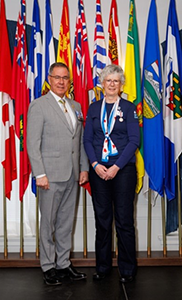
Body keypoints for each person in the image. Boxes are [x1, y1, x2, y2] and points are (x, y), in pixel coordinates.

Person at [27, 62, 89, 286]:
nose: (61, 82)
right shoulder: (39, 105)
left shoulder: (76, 105)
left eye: (65, 78)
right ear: (49, 79)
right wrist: (40, 173)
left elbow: (80, 141)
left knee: (65, 222)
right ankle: (48, 266)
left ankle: (63, 263)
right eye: (57, 77)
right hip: (50, 176)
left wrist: (83, 168)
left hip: (72, 174)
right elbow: (32, 144)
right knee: (49, 223)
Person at [83, 64, 140, 283]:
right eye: (109, 80)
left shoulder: (129, 108)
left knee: (124, 221)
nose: (112, 84)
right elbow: (87, 139)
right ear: (102, 83)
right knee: (102, 221)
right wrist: (96, 165)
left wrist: (116, 167)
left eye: (116, 81)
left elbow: (134, 140)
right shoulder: (93, 108)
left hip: (123, 170)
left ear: (121, 84)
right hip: (98, 170)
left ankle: (127, 269)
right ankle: (103, 267)